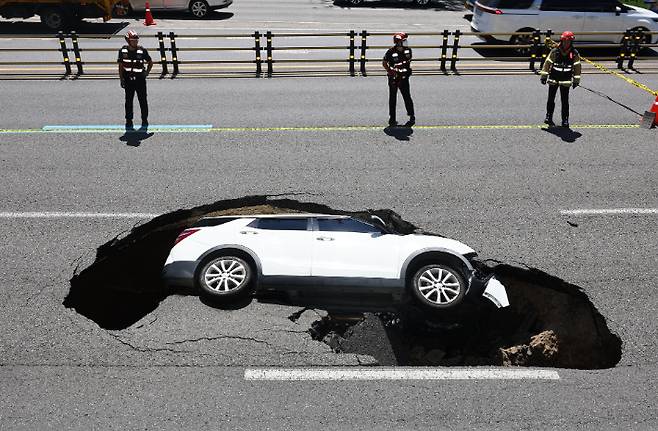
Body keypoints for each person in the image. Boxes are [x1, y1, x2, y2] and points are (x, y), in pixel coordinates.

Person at [540, 31, 581, 128]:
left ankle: (565, 120)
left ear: (571, 42)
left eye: (568, 41)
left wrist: (576, 80)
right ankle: (549, 117)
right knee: (550, 99)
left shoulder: (574, 53)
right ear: (561, 40)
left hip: (565, 81)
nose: (566, 43)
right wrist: (544, 76)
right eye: (564, 41)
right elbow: (547, 63)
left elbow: (577, 67)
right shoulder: (555, 51)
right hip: (554, 79)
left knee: (565, 101)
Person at [118, 30, 153, 130]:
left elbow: (150, 62)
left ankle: (144, 119)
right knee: (128, 101)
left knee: (143, 101)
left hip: (140, 80)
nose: (135, 42)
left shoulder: (142, 51)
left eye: (136, 40)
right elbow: (120, 66)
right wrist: (121, 79)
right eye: (133, 40)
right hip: (128, 80)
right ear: (128, 41)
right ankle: (129, 120)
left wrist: (146, 73)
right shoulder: (122, 51)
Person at [382, 32, 415, 127]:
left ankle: (411, 115)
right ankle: (392, 118)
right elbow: (384, 63)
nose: (406, 42)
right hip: (394, 78)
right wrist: (389, 70)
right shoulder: (390, 52)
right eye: (404, 41)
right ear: (398, 42)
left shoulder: (408, 50)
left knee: (407, 96)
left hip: (404, 78)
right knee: (393, 98)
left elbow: (408, 62)